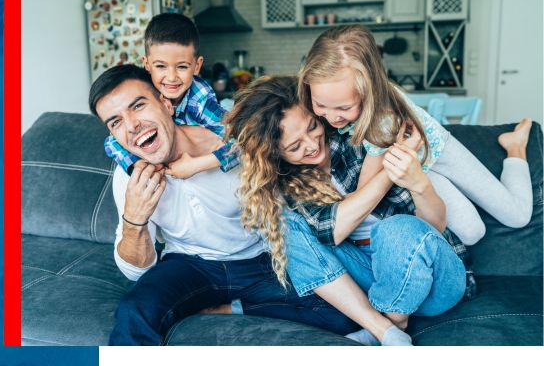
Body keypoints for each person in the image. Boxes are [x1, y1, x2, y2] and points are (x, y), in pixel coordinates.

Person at [89, 65, 362, 345]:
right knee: (134, 312)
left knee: (345, 312)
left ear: (165, 104)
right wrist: (135, 219)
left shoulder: (229, 143)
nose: (132, 125)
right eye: (116, 122)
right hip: (190, 264)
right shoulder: (129, 173)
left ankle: (232, 308)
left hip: (261, 260)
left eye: (138, 106)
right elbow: (136, 272)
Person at [225, 76, 468, 346]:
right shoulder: (290, 183)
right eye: (294, 147)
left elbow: (431, 229)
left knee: (395, 229)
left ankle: (393, 321)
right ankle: (384, 330)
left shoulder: (359, 139)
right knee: (283, 224)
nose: (311, 144)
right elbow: (334, 231)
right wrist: (389, 170)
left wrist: (405, 172)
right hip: (371, 277)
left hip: (435, 281)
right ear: (276, 155)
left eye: (312, 126)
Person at [298, 24, 533, 245]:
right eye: (321, 105)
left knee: (517, 215)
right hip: (420, 168)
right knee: (472, 233)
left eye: (344, 108)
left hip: (441, 153)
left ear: (369, 91)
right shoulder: (333, 96)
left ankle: (515, 147)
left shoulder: (382, 121)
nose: (331, 118)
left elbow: (363, 195)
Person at [103, 13, 237, 179]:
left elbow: (241, 144)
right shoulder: (144, 92)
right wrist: (137, 164)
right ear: (147, 64)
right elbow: (111, 142)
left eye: (181, 67)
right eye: (160, 66)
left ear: (197, 66)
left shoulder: (200, 101)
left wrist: (195, 165)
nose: (172, 77)